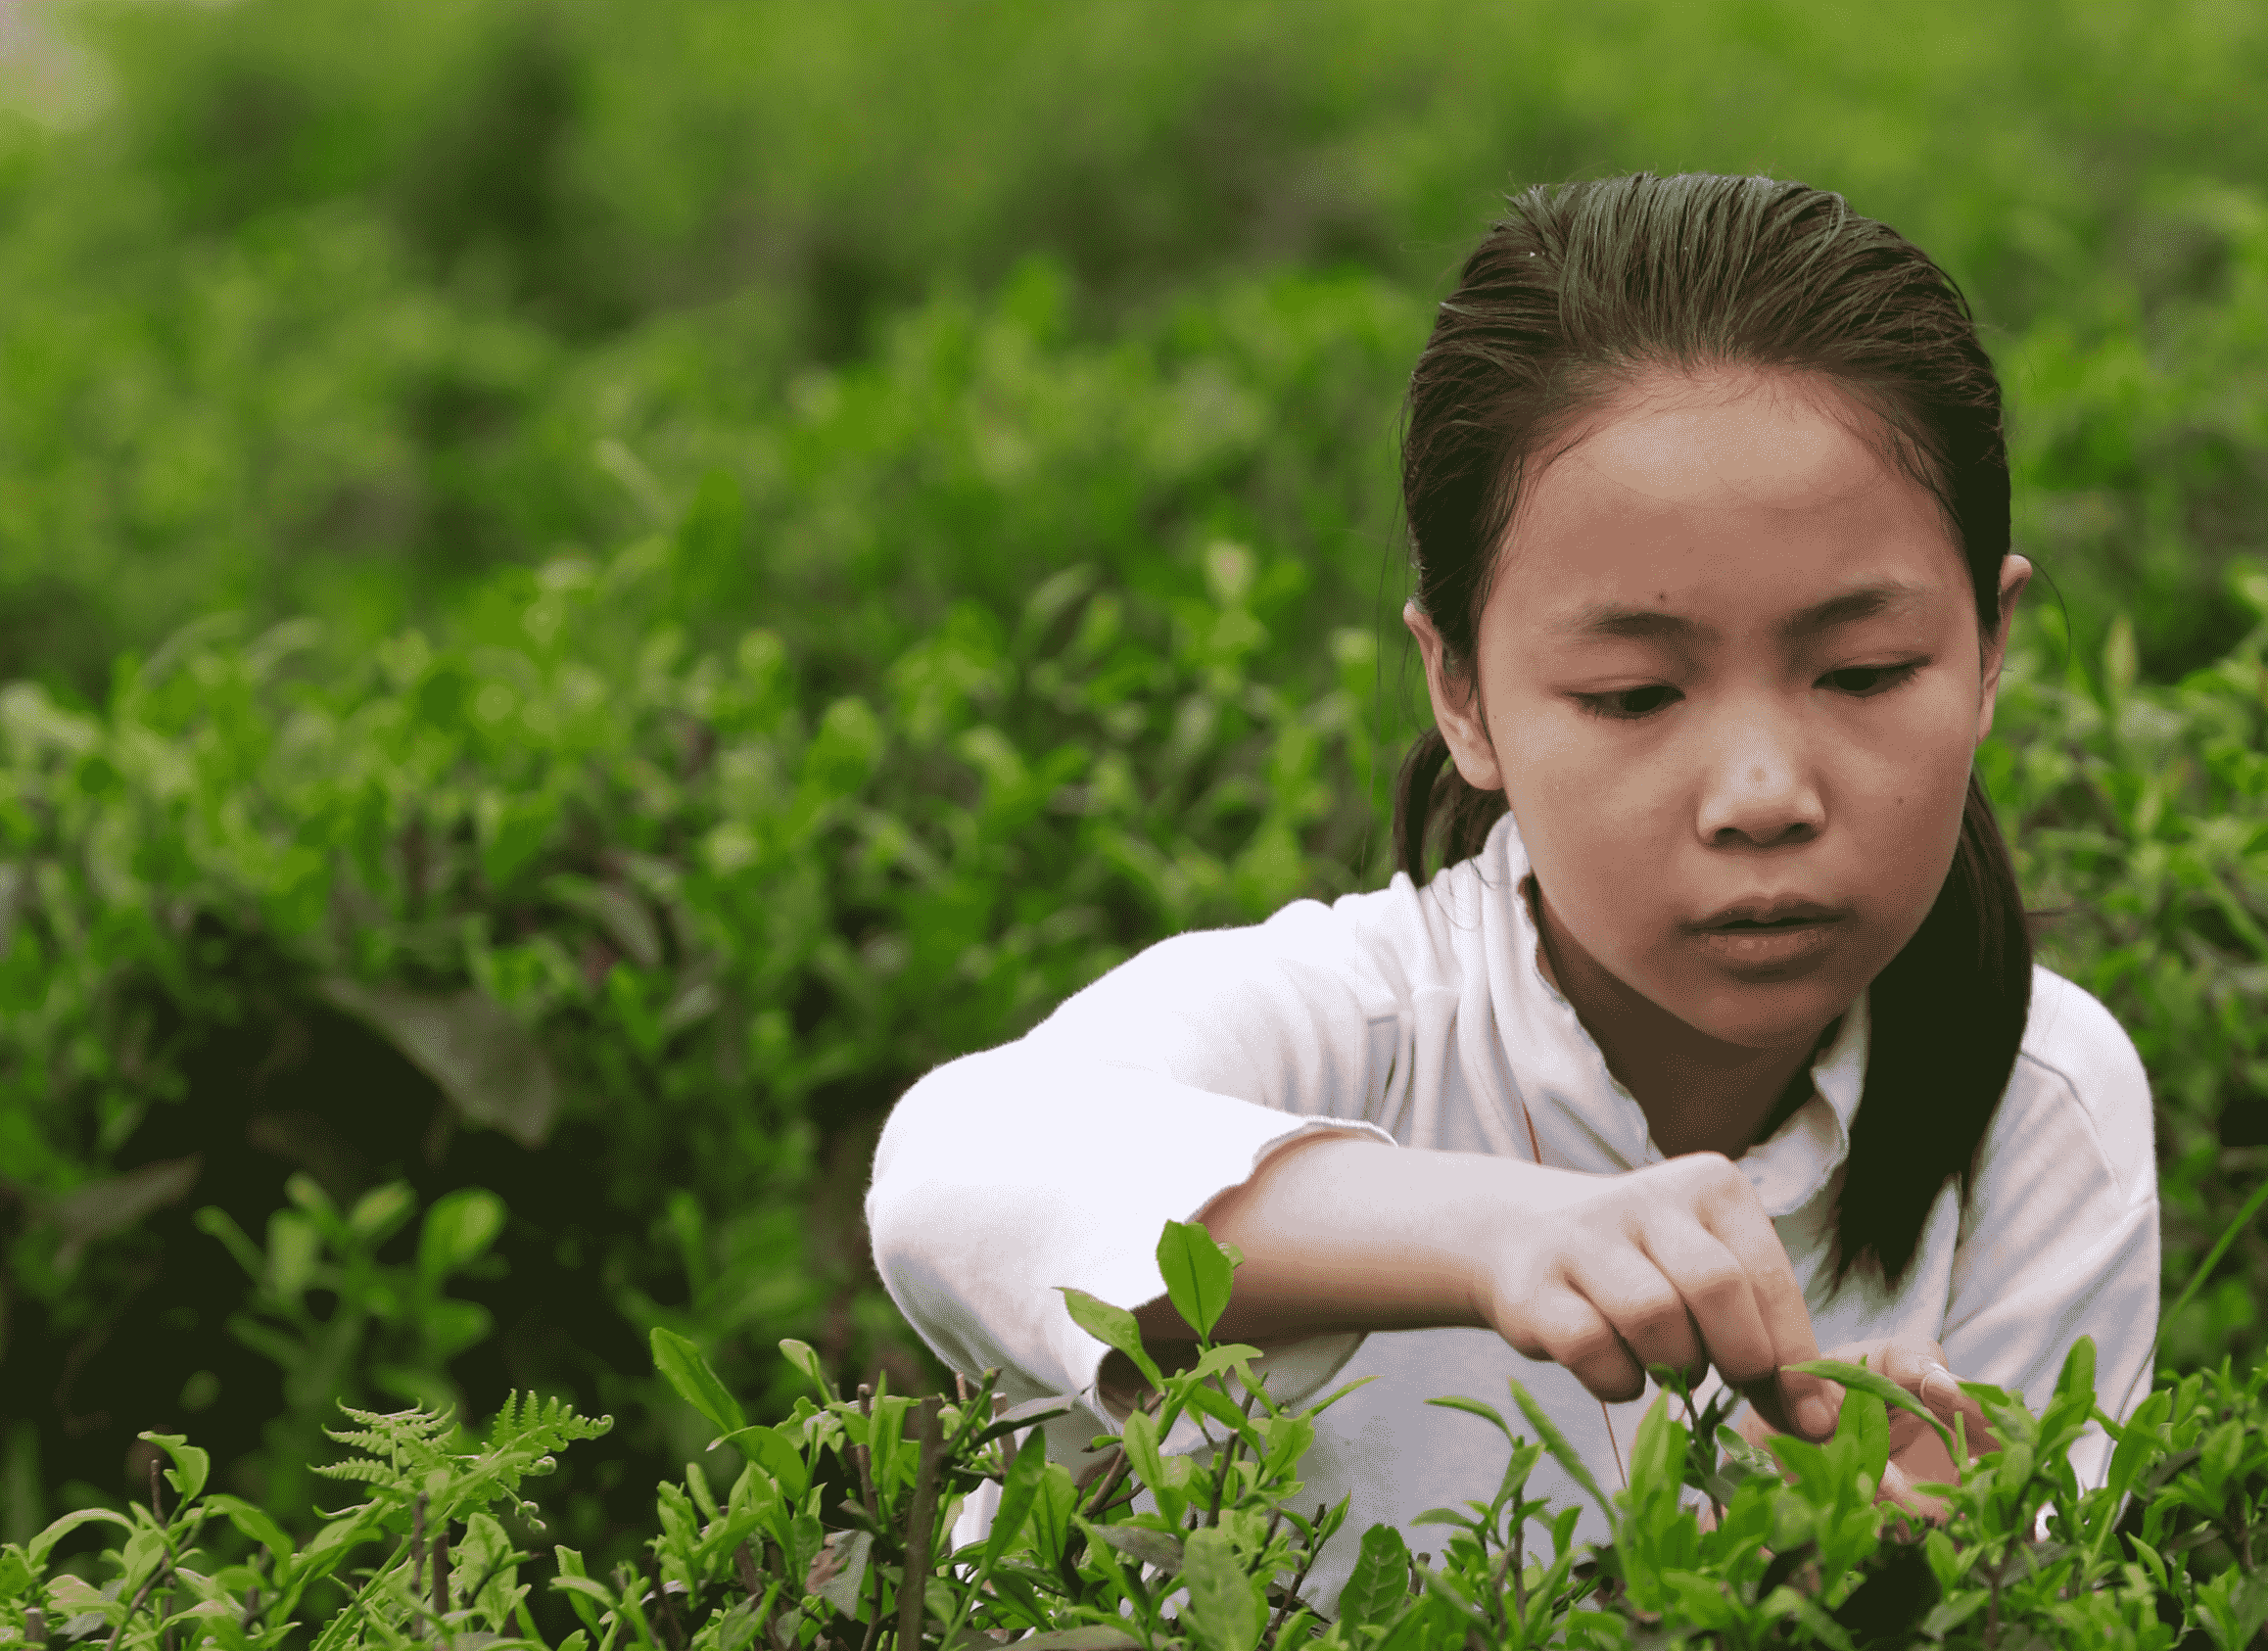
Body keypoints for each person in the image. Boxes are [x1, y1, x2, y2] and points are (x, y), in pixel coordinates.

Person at [866, 171, 2159, 1605]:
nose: (1761, 793)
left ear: (1988, 651)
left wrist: (1847, 1578)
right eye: (1632, 694)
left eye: (1863, 673)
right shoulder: (1363, 1030)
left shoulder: (2039, 1105)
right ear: (1462, 693)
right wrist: (1501, 1233)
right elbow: (955, 1166)